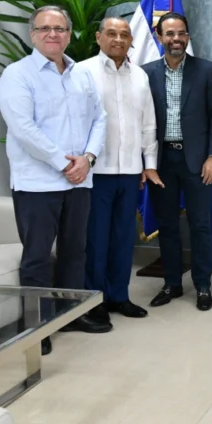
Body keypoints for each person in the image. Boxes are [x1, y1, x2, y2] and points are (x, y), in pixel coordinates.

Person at [0, 6, 109, 355]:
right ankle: (37, 325)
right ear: (33, 34)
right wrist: (65, 164)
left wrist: (87, 158)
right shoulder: (17, 75)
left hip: (79, 181)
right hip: (38, 184)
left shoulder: (81, 74)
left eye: (59, 28)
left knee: (76, 252)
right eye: (44, 28)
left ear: (69, 33)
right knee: (37, 257)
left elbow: (100, 119)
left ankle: (70, 314)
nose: (53, 34)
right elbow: (24, 129)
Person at [78, 16, 161, 322]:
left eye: (124, 34)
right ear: (98, 37)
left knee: (124, 237)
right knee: (96, 238)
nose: (118, 39)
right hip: (95, 172)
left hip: (129, 171)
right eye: (111, 33)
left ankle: (119, 295)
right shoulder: (82, 71)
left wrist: (148, 164)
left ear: (131, 41)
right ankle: (94, 299)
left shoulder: (140, 76)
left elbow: (148, 124)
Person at [142, 12, 212, 312]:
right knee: (167, 225)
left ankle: (203, 285)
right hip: (161, 160)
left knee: (200, 225)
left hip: (198, 160)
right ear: (160, 37)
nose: (176, 39)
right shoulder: (146, 73)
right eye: (170, 34)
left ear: (187, 37)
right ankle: (172, 284)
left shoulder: (205, 70)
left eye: (181, 33)